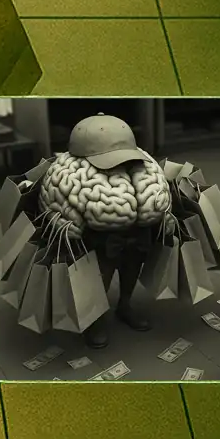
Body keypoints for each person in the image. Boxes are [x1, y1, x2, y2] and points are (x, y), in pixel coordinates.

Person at [62, 114, 160, 349]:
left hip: (136, 232)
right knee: (99, 275)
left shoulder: (142, 164)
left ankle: (124, 306)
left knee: (132, 267)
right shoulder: (75, 168)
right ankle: (94, 318)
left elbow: (156, 193)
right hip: (100, 237)